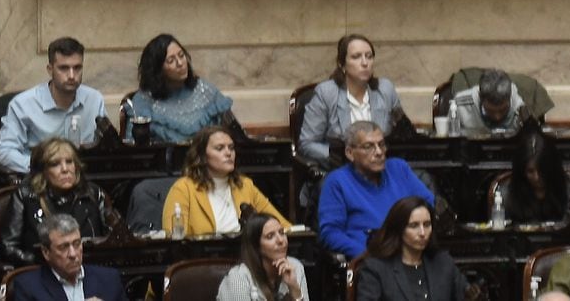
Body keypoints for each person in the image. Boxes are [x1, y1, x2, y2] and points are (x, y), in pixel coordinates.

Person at [317, 122, 434, 258]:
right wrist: (366, 255)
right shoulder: (337, 182)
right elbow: (330, 233)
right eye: (369, 147)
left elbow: (428, 204)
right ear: (350, 153)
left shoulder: (399, 168)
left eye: (382, 144)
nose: (379, 152)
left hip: (410, 252)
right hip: (369, 259)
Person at [0, 37, 107, 174]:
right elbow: (5, 153)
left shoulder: (94, 99)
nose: (72, 75)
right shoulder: (23, 105)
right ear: (50, 70)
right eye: (64, 68)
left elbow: (105, 146)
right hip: (39, 181)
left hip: (84, 179)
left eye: (77, 68)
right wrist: (44, 168)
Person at [298, 34, 403, 167]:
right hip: (342, 168)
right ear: (342, 65)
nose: (365, 63)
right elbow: (307, 144)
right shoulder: (326, 93)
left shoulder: (385, 90)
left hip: (381, 167)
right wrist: (337, 155)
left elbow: (403, 135)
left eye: (369, 56)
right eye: (356, 57)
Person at [163, 125, 288, 237]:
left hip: (244, 257)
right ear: (202, 156)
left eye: (231, 148)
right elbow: (173, 238)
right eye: (219, 148)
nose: (228, 153)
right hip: (202, 259)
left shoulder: (245, 185)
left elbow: (281, 225)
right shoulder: (183, 189)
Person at [1, 137, 108, 265]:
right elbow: (8, 248)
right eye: (55, 164)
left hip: (88, 272)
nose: (65, 169)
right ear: (43, 171)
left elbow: (112, 240)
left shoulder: (93, 193)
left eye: (69, 162)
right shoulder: (25, 196)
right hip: (40, 272)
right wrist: (45, 262)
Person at [126, 34, 234, 144]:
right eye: (171, 60)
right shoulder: (144, 101)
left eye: (181, 55)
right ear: (157, 69)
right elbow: (133, 147)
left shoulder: (206, 92)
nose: (180, 63)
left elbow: (234, 135)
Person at [356, 197, 466, 301]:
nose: (423, 233)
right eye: (414, 226)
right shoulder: (376, 268)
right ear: (399, 228)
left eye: (427, 225)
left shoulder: (443, 262)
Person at [10, 214, 127, 301]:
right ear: (46, 252)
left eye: (76, 244)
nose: (73, 254)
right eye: (63, 247)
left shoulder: (109, 279)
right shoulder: (28, 286)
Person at [504, 123, 570, 225]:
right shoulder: (510, 195)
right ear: (521, 171)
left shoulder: (569, 190)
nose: (536, 177)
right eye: (530, 171)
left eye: (542, 170)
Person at [218, 213, 307, 301]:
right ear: (256, 246)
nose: (280, 240)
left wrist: (295, 289)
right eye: (270, 236)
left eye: (281, 233)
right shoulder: (238, 278)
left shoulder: (296, 267)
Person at [448, 69, 527, 138]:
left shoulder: (521, 108)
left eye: (503, 110)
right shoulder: (460, 104)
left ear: (510, 98)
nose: (497, 117)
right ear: (480, 97)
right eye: (491, 111)